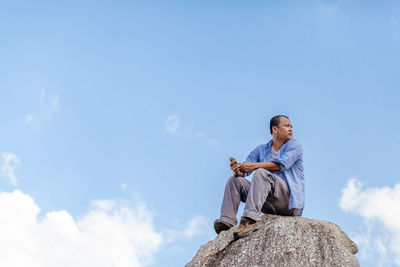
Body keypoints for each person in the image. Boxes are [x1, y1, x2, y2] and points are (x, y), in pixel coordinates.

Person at [213, 115, 305, 240]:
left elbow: (281, 165)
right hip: (269, 204)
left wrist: (254, 166)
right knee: (234, 181)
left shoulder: (294, 145)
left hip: (288, 202)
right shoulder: (261, 150)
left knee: (261, 172)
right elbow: (244, 172)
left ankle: (250, 220)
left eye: (291, 126)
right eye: (286, 126)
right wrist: (238, 170)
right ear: (275, 129)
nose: (291, 129)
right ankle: (227, 222)